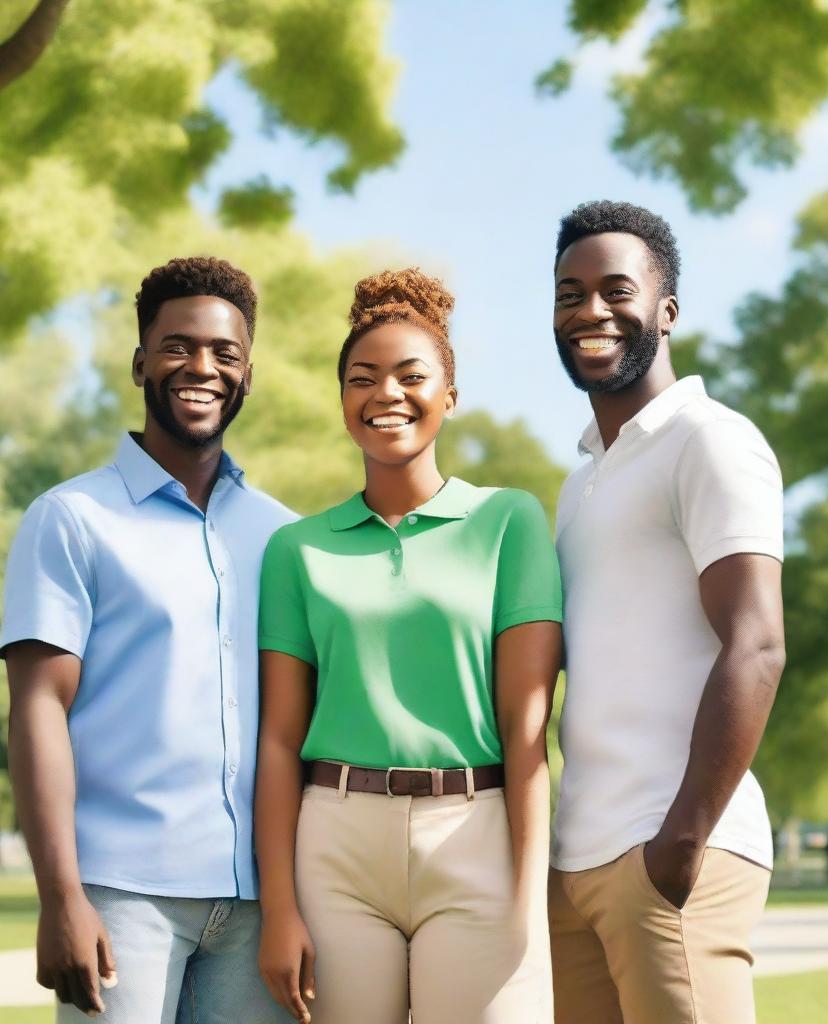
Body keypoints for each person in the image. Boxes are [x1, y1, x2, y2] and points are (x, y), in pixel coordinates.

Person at [254, 268, 562, 1024]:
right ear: (343, 402)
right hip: (337, 844)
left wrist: (528, 900)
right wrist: (280, 909)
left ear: (448, 396)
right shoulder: (295, 549)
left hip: (474, 835)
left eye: (410, 376)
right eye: (363, 379)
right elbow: (278, 740)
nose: (385, 393)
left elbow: (528, 736)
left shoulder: (510, 523)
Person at [1, 257, 295, 1023]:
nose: (202, 367)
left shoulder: (284, 535)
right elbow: (38, 709)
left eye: (225, 354)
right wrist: (60, 895)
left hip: (260, 905)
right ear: (140, 364)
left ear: (248, 376)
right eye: (178, 347)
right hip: (122, 897)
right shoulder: (70, 519)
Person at [547, 200, 786, 1024]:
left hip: (669, 853)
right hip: (577, 861)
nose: (590, 312)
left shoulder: (710, 439)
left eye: (616, 290)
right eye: (569, 293)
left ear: (667, 310)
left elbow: (756, 645)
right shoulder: (579, 482)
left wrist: (680, 844)